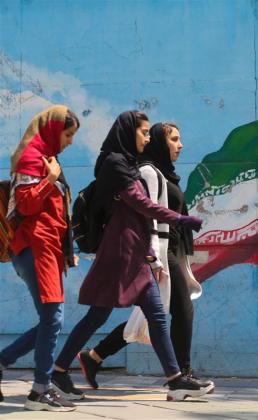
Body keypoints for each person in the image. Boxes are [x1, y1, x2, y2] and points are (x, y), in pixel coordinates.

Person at [50, 111, 210, 402]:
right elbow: (140, 204)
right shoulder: (115, 164)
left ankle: (176, 380)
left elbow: (134, 216)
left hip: (134, 250)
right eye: (144, 132)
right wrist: (180, 219)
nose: (148, 139)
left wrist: (151, 255)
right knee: (96, 317)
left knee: (156, 317)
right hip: (120, 253)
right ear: (128, 132)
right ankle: (59, 372)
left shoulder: (125, 163)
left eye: (150, 133)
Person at [0, 105, 79, 412]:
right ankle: (40, 390)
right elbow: (25, 204)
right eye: (68, 134)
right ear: (53, 129)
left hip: (46, 249)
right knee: (53, 318)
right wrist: (50, 180)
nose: (70, 141)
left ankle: (7, 363)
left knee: (50, 319)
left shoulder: (47, 157)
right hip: (36, 247)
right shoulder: (30, 158)